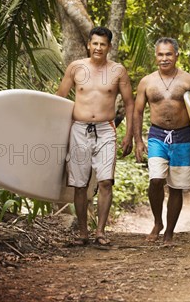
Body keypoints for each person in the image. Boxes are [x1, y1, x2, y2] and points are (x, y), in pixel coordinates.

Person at [134, 37, 190, 245]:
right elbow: (137, 112)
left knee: (176, 187)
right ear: (156, 56)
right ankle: (157, 222)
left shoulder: (188, 80)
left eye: (168, 54)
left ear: (177, 55)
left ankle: (169, 232)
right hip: (157, 136)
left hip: (183, 137)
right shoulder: (147, 82)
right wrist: (137, 140)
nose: (164, 58)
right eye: (161, 54)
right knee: (156, 180)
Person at [56, 26, 134, 246]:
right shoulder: (76, 68)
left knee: (106, 182)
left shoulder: (118, 71)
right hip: (79, 129)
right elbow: (60, 97)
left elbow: (129, 104)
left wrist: (129, 135)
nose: (98, 48)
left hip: (106, 130)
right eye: (95, 43)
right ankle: (83, 233)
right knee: (80, 184)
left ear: (109, 47)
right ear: (89, 45)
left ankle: (100, 232)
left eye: (103, 44)